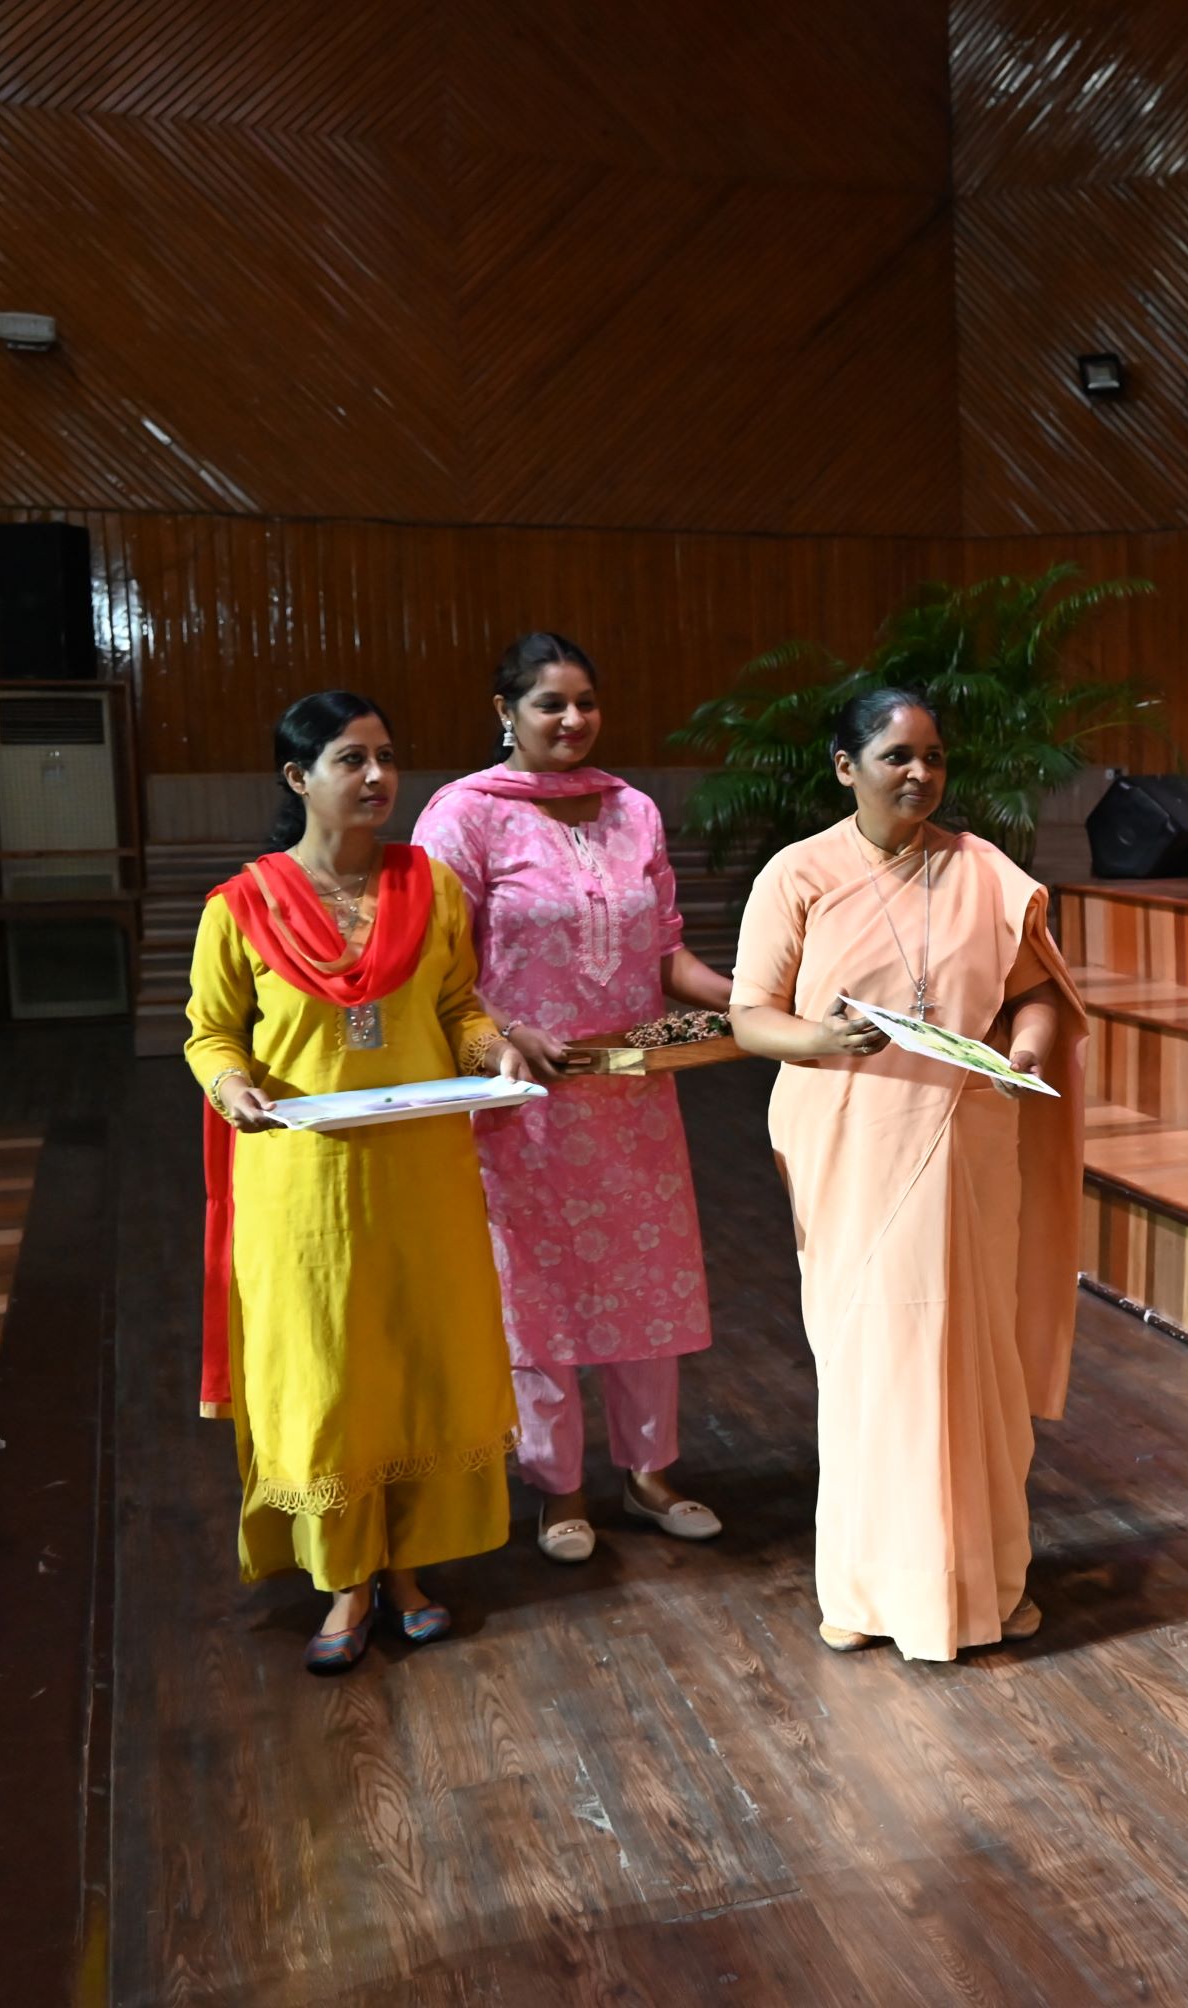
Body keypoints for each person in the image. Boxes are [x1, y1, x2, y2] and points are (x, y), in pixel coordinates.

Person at [727, 688, 1089, 1660]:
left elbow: (1034, 995)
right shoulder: (797, 873)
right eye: (895, 756)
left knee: (973, 1358)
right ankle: (865, 1585)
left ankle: (988, 1584)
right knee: (871, 1365)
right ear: (844, 766)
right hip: (850, 1142)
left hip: (967, 1142)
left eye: (932, 756)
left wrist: (1030, 1052)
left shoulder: (982, 870)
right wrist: (819, 1038)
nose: (919, 774)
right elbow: (749, 1013)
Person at [186, 692, 539, 1673]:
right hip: (302, 1181)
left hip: (422, 1169)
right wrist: (229, 1082)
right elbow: (211, 1029)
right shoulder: (241, 905)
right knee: (333, 1376)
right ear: (299, 778)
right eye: (352, 759)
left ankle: (412, 1567)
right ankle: (345, 1576)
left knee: (422, 1357)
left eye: (386, 756)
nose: (379, 777)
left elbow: (461, 1003)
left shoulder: (431, 886)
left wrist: (492, 1046)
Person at [413, 633, 732, 1565]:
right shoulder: (463, 817)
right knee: (539, 1297)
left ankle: (650, 1474)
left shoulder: (633, 808)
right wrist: (506, 1030)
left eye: (586, 701)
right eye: (550, 703)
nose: (573, 720)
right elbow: (437, 966)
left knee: (646, 1284)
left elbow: (666, 952)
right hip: (523, 1105)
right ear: (504, 712)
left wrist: (752, 995)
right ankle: (557, 1488)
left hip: (632, 1096)